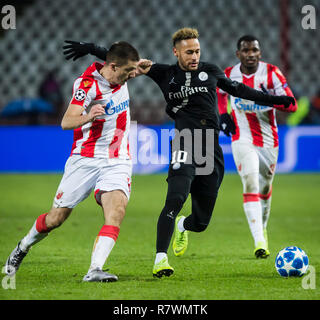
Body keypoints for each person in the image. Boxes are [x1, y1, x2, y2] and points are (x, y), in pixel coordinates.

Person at [63, 28, 295, 277]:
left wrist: (278, 101)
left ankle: (183, 225)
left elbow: (240, 90)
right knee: (175, 197)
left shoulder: (212, 71)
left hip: (210, 147)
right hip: (185, 142)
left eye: (197, 51)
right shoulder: (164, 73)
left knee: (202, 221)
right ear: (176, 52)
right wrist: (91, 48)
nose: (194, 56)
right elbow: (125, 62)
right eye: (189, 52)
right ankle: (160, 259)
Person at [4, 41, 140, 282]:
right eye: (129, 71)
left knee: (116, 211)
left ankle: (95, 269)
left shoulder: (123, 72)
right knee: (55, 219)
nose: (133, 75)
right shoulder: (86, 85)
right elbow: (66, 122)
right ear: (113, 66)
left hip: (117, 158)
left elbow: (126, 61)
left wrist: (90, 47)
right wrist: (89, 115)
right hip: (85, 159)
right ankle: (22, 247)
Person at [217, 35, 297, 258]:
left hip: (268, 140)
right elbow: (220, 93)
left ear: (260, 53)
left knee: (264, 188)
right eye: (246, 50)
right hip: (241, 137)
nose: (250, 54)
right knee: (250, 181)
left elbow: (291, 105)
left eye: (254, 50)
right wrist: (224, 114)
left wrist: (267, 99)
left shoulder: (272, 73)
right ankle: (259, 241)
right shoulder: (229, 74)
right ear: (238, 54)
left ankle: (262, 230)